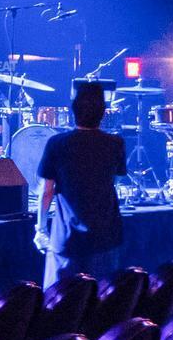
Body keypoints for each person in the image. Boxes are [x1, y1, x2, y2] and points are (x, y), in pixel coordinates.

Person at [36, 81, 127, 285]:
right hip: (106, 238)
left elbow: (46, 193)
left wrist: (40, 229)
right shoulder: (116, 144)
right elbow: (113, 179)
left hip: (67, 240)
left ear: (73, 110)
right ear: (103, 113)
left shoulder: (56, 143)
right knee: (102, 304)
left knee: (58, 304)